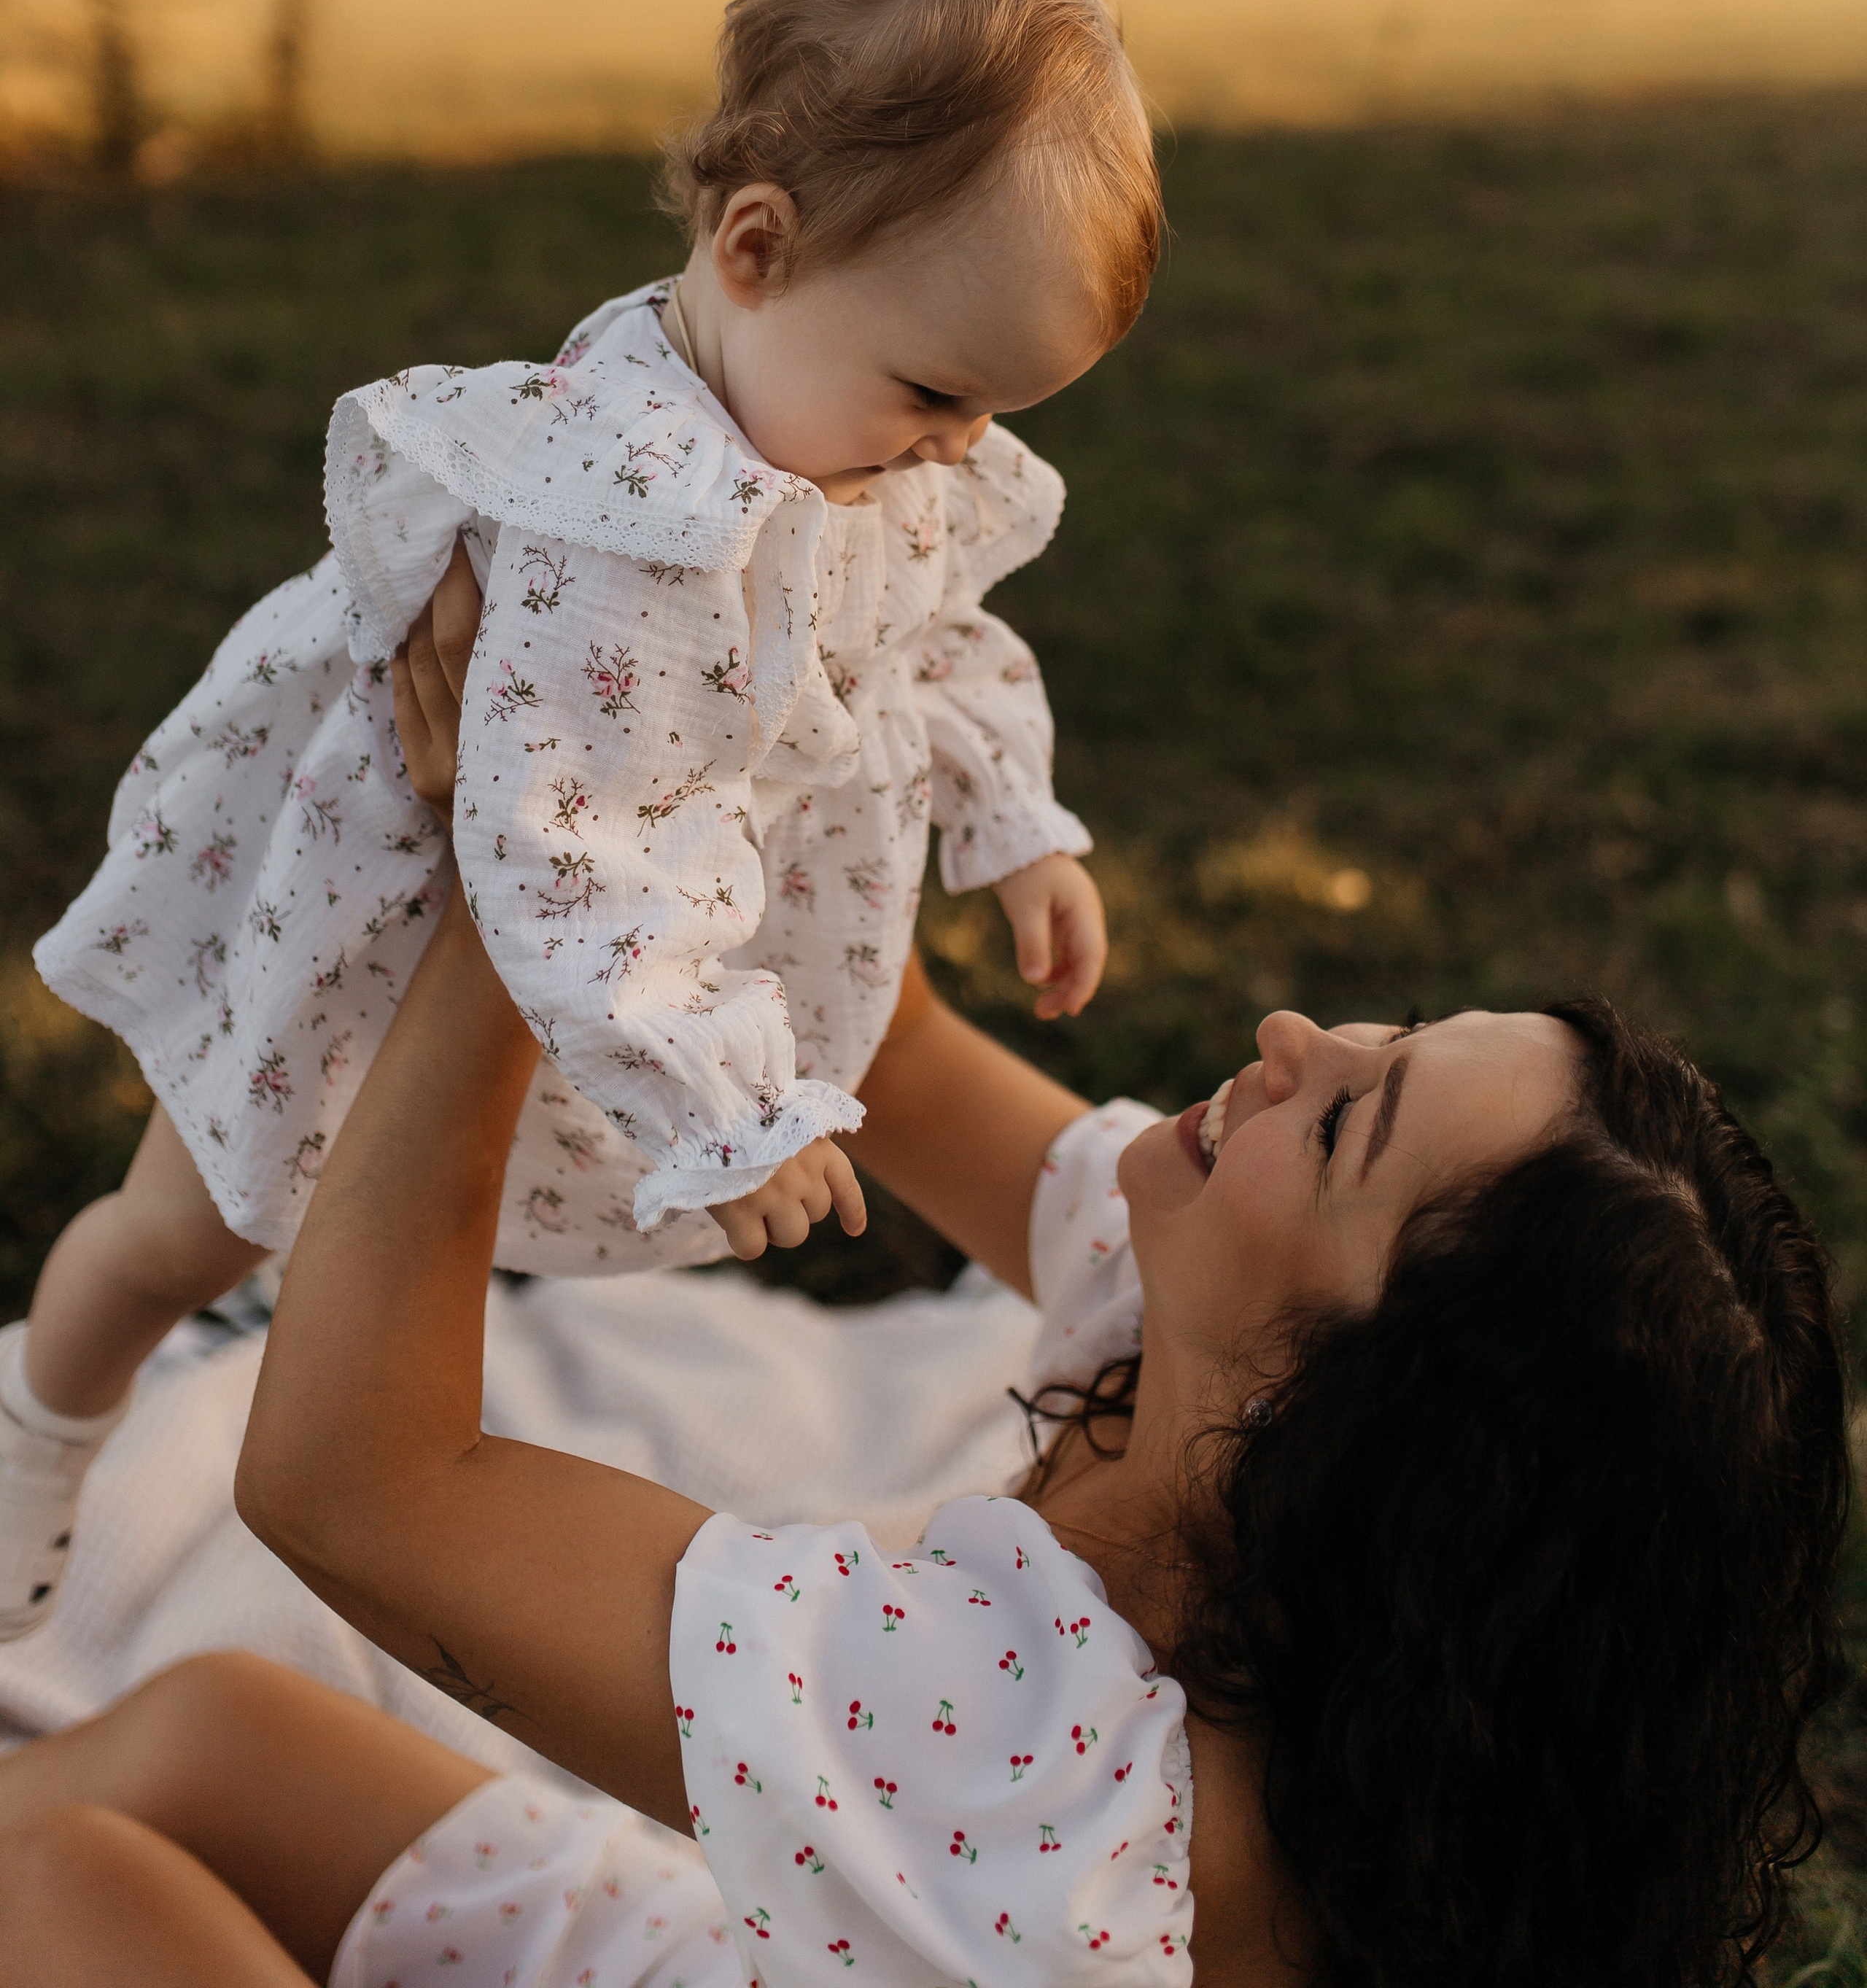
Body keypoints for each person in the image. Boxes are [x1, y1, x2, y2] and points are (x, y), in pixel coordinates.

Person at [0, 579, 1846, 1987]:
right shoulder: (1236, 1387)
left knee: (59, 1891)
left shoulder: (1041, 1779)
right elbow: (882, 1042)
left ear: (1350, 1411)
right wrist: (716, 674)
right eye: (1394, 1030)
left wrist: (521, 888)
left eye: (1351, 1121)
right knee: (211, 1731)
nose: (1295, 1032)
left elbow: (349, 1479)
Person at [8, 0, 1161, 1641]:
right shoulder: (620, 528)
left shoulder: (843, 431)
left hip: (619, 904)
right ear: (754, 249)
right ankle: (42, 1414)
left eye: (994, 414)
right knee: (196, 1220)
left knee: (376, 1228)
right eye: (936, 391)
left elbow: (932, 633)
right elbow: (563, 845)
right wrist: (717, 1097)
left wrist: (1013, 827)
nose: (953, 449)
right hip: (417, 914)